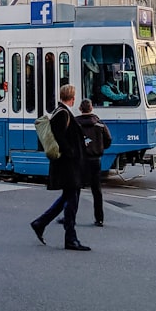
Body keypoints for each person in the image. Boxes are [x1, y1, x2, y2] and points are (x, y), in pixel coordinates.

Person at [30, 84, 89, 251]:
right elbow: (61, 138)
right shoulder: (62, 113)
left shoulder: (61, 111)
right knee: (72, 201)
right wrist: (72, 153)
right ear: (72, 97)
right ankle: (70, 238)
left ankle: (40, 223)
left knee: (68, 198)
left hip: (68, 165)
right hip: (68, 165)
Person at [74, 99, 111, 227]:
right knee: (97, 190)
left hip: (80, 160)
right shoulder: (99, 124)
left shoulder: (75, 123)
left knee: (75, 189)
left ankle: (70, 216)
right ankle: (99, 219)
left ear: (80, 109)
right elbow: (108, 139)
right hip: (95, 160)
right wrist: (99, 147)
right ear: (91, 108)